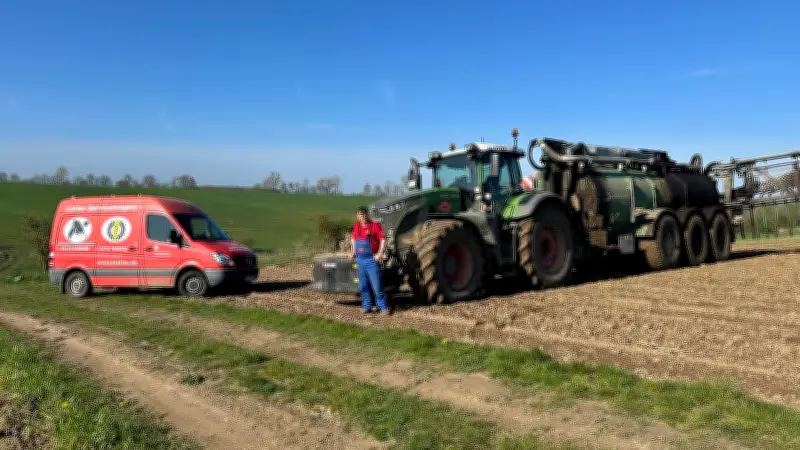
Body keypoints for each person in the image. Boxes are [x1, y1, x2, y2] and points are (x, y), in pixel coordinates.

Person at [351, 206, 391, 315]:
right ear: (357, 216)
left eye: (364, 214)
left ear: (367, 215)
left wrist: (379, 253)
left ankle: (383, 307)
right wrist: (353, 250)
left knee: (377, 286)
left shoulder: (374, 225)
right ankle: (366, 306)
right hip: (360, 260)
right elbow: (353, 238)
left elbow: (383, 239)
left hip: (371, 260)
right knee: (363, 286)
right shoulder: (357, 226)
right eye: (360, 214)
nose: (362, 216)